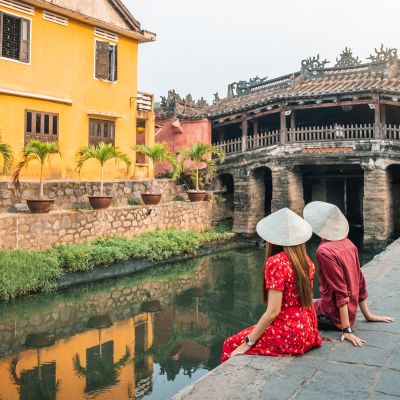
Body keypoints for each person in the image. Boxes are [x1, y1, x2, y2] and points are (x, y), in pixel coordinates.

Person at [221, 208, 322, 363]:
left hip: (289, 335)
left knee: (230, 343)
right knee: (251, 331)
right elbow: (307, 300)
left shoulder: (276, 263)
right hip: (309, 331)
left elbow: (273, 311)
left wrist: (246, 344)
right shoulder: (307, 262)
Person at [303, 201, 395, 347]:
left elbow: (340, 291)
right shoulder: (349, 244)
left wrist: (346, 330)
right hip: (342, 311)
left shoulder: (324, 251)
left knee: (291, 309)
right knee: (309, 300)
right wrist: (367, 315)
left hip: (332, 317)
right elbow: (360, 281)